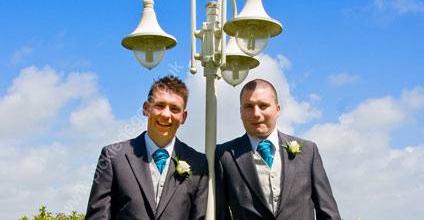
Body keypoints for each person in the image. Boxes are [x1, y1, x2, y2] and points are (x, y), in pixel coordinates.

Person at [215, 79, 341, 220]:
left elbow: (329, 213)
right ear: (241, 112)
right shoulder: (223, 155)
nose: (256, 113)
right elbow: (220, 215)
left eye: (263, 106)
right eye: (249, 106)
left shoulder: (308, 152)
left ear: (277, 109)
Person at [86, 75, 208, 220]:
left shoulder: (199, 163)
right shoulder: (113, 157)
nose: (166, 114)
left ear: (183, 117)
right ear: (146, 108)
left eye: (174, 109)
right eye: (160, 105)